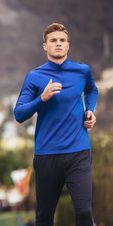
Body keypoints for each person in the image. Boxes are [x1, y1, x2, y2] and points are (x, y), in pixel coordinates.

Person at [14, 23, 98, 226]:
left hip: (79, 152)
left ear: (68, 45)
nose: (58, 44)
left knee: (85, 213)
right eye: (53, 41)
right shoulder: (34, 77)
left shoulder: (82, 71)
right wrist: (41, 98)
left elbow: (92, 90)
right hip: (47, 155)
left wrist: (90, 109)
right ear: (45, 46)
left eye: (62, 40)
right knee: (44, 217)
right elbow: (19, 114)